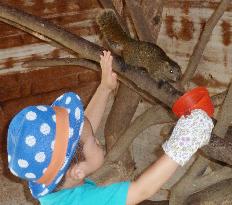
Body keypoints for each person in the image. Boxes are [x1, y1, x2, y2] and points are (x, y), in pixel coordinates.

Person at [7, 51, 214, 205]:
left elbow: (84, 130)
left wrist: (104, 88)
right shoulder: (87, 201)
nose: (98, 140)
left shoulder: (50, 182)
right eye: (95, 143)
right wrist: (184, 143)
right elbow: (141, 191)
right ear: (77, 172)